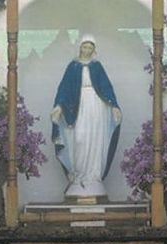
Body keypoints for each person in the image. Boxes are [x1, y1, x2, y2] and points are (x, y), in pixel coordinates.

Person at [51, 35, 122, 199]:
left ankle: (93, 177)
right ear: (80, 47)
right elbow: (64, 88)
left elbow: (106, 88)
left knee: (95, 138)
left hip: (97, 107)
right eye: (85, 47)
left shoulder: (97, 66)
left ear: (94, 50)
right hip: (78, 106)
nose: (87, 50)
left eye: (90, 48)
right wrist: (59, 105)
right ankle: (78, 175)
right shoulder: (73, 66)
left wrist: (115, 106)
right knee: (79, 138)